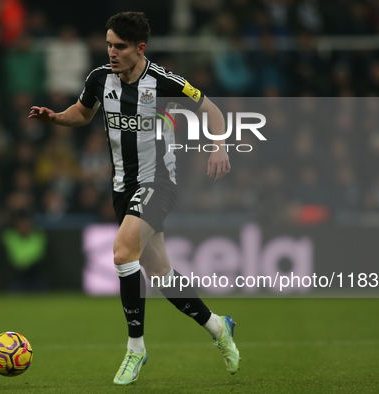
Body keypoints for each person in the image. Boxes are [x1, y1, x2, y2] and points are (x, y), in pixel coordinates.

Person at [29, 12, 239, 385]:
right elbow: (82, 113)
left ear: (140, 49)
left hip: (158, 182)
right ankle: (218, 327)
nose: (111, 51)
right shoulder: (99, 79)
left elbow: (211, 109)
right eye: (109, 44)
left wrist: (219, 146)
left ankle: (135, 349)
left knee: (124, 252)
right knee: (159, 273)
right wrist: (56, 118)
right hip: (123, 188)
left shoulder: (162, 81)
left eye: (120, 46)